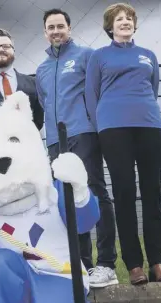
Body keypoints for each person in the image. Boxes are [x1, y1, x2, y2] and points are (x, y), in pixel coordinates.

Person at [84, 3, 161, 286]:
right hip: (113, 129)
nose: (125, 22)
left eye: (129, 18)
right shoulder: (99, 57)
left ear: (135, 25)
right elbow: (91, 96)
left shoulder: (148, 55)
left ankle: (157, 262)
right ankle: (134, 265)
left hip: (149, 126)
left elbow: (154, 89)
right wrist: (102, 129)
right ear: (110, 27)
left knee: (153, 193)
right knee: (124, 192)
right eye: (118, 19)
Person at [36, 8, 118, 288]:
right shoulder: (42, 69)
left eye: (61, 26)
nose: (56, 31)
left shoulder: (86, 56)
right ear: (45, 33)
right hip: (55, 141)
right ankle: (83, 264)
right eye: (51, 27)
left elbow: (99, 92)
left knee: (94, 192)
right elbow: (44, 103)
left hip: (83, 133)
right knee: (67, 200)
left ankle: (106, 263)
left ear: (69, 29)